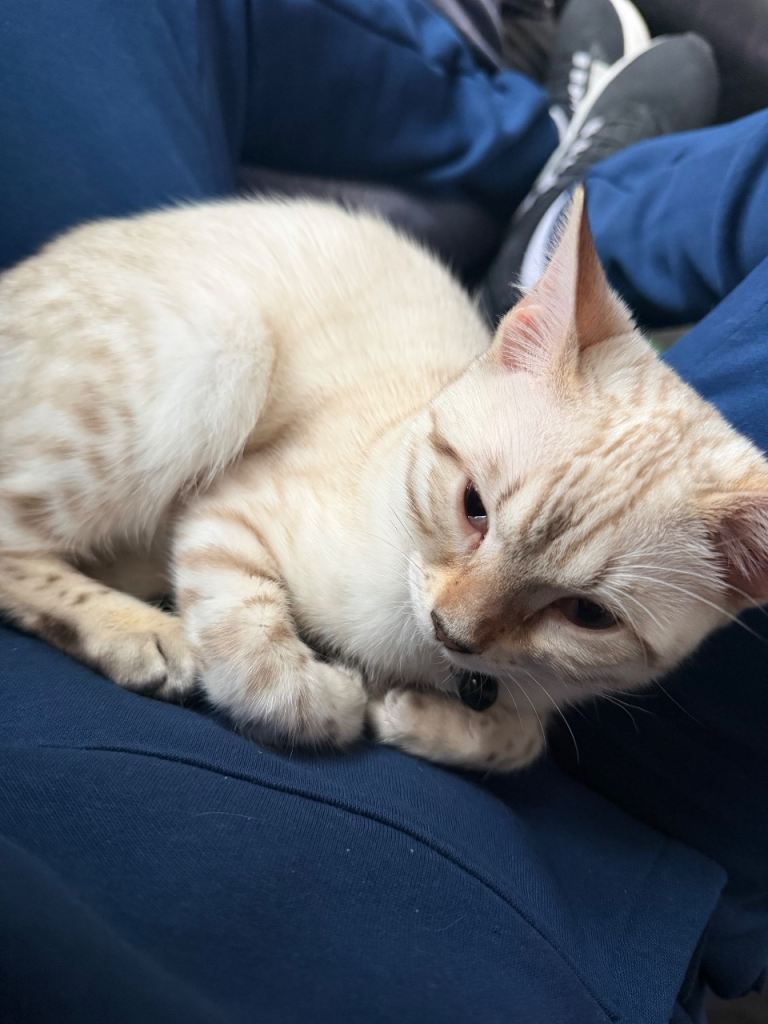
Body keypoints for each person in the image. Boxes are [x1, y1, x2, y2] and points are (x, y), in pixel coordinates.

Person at [0, 1, 765, 1020]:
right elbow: (230, 517)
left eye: (585, 613)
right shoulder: (392, 537)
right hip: (191, 360)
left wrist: (514, 730)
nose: (465, 617)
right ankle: (552, 188)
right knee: (205, 355)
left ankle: (556, 185)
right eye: (473, 511)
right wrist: (263, 660)